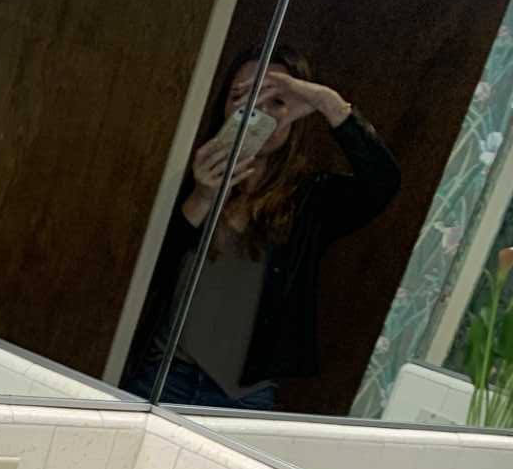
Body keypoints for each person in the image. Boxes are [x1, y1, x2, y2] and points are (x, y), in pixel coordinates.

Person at [124, 47, 401, 409]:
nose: (256, 112)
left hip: (243, 396)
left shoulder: (310, 199)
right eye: (242, 97)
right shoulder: (185, 174)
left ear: (295, 116)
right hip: (160, 375)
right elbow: (142, 273)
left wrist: (327, 103)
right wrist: (202, 198)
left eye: (275, 102)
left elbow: (382, 184)